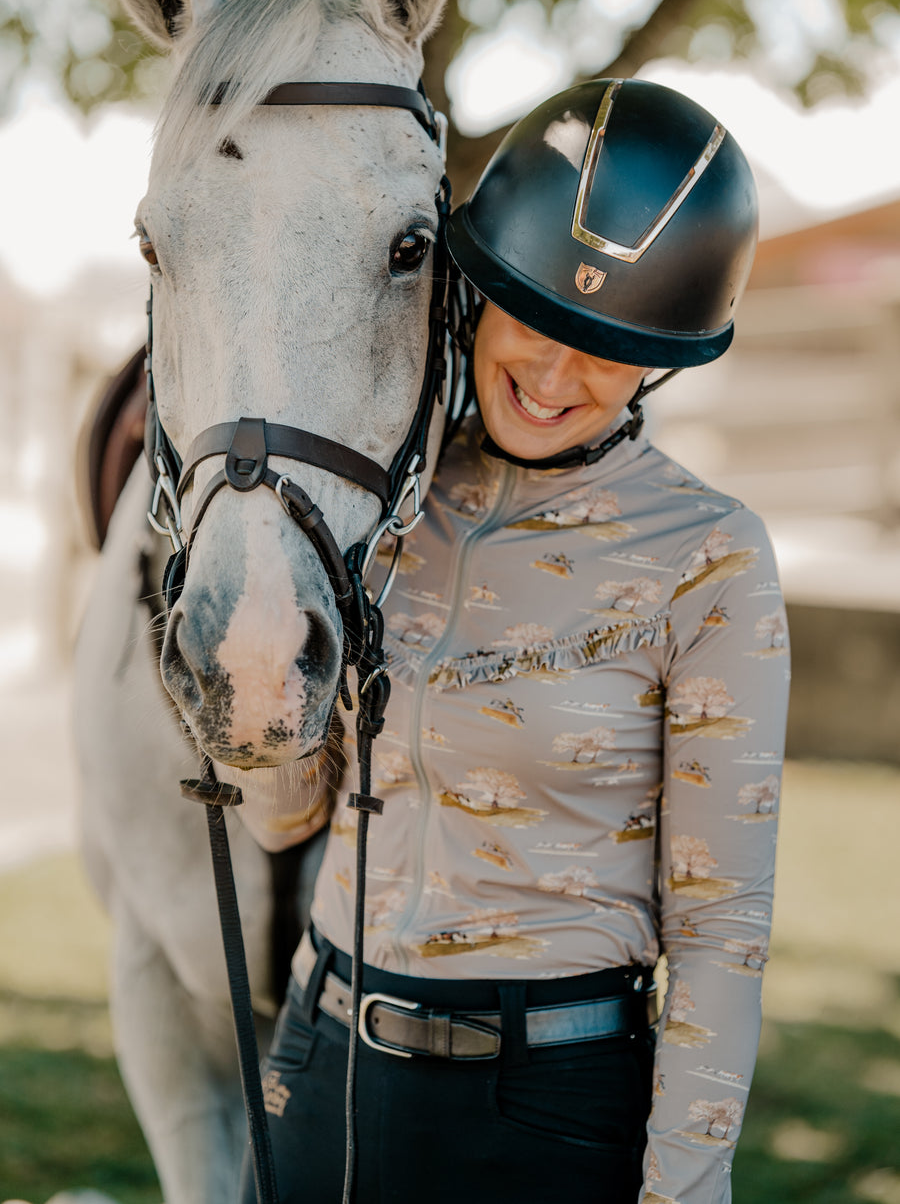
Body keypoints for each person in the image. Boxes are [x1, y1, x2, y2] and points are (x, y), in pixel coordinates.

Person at [238, 78, 790, 1204]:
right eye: (534, 317)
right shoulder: (384, 502)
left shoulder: (710, 556)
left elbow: (722, 921)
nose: (551, 375)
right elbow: (282, 816)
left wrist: (686, 1186)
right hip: (321, 1055)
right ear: (479, 293)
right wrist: (259, 674)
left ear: (659, 357)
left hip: (550, 1108)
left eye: (604, 347)